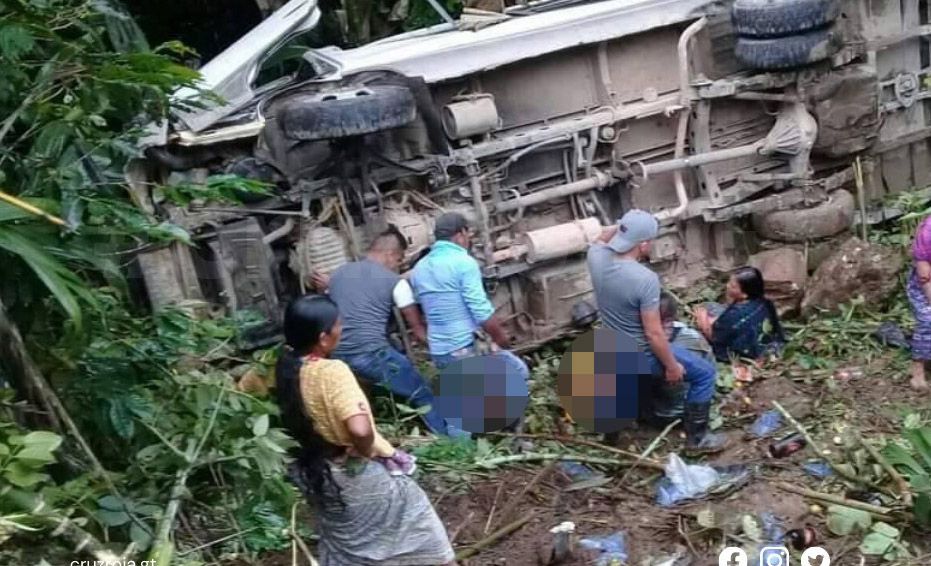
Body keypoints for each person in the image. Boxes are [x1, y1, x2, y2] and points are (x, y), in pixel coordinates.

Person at [275, 295, 457, 565]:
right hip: (352, 472)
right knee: (421, 530)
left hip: (313, 473)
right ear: (324, 338)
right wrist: (365, 450)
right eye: (339, 325)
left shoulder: (279, 367)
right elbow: (360, 430)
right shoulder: (331, 372)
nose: (342, 329)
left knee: (350, 546)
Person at [586, 209, 727, 454]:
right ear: (643, 245)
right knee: (704, 375)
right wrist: (672, 366)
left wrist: (622, 227)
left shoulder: (595, 257)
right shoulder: (644, 278)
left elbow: (601, 236)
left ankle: (611, 439)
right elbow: (654, 334)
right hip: (642, 355)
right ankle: (697, 440)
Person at [313, 230, 462, 437]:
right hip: (370, 354)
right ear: (390, 254)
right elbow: (418, 332)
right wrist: (450, 353)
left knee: (394, 352)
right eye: (399, 261)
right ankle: (450, 441)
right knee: (422, 392)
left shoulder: (338, 274)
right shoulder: (395, 282)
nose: (398, 266)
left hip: (337, 355)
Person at [410, 213, 529, 381]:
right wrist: (501, 339)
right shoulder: (463, 262)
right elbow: (480, 311)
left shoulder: (419, 269)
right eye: (467, 235)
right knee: (519, 373)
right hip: (464, 348)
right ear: (460, 235)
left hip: (440, 353)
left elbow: (423, 306)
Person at [692, 266, 786, 363]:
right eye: (729, 282)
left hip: (742, 353)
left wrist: (702, 318)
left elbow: (713, 337)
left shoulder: (734, 315)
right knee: (712, 308)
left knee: (698, 327)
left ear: (744, 294)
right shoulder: (765, 302)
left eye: (733, 286)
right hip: (767, 343)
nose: (727, 286)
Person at [908, 216, 931, 391]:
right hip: (925, 289)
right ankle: (918, 371)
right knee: (928, 320)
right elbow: (924, 276)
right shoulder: (928, 232)